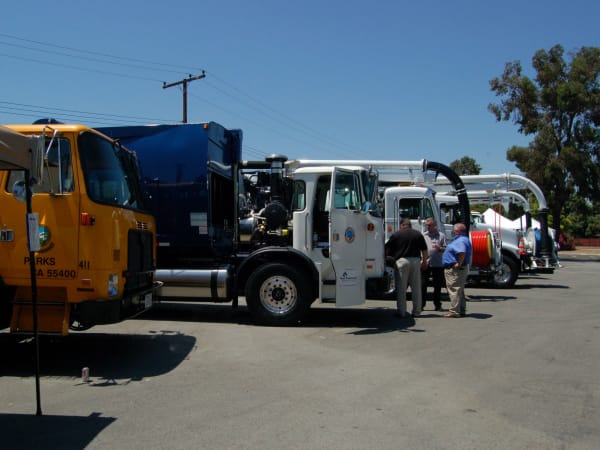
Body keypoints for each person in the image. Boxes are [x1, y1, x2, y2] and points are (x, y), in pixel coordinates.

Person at [385, 217, 428, 318]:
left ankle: (402, 311)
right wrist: (424, 261)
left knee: (401, 288)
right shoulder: (418, 234)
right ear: (410, 225)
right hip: (415, 260)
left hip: (402, 261)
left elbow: (387, 249)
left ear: (401, 225)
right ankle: (417, 311)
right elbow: (424, 250)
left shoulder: (396, 235)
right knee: (416, 288)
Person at [442, 222, 472, 318]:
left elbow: (461, 252)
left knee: (454, 289)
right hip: (458, 268)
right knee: (459, 290)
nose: (452, 232)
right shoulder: (463, 239)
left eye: (454, 230)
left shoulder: (460, 240)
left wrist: (458, 263)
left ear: (457, 231)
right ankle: (461, 309)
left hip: (455, 269)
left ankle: (454, 311)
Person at [421, 217, 447, 311]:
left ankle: (437, 304)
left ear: (434, 225)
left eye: (429, 225)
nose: (428, 227)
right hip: (426, 263)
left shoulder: (441, 236)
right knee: (423, 285)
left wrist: (439, 248)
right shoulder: (423, 235)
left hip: (438, 264)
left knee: (437, 285)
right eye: (426, 225)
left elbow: (445, 249)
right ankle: (421, 304)